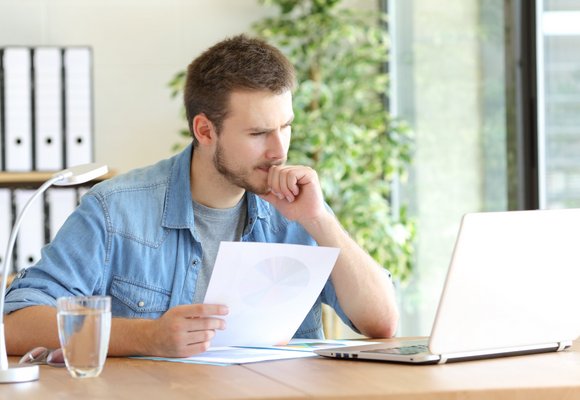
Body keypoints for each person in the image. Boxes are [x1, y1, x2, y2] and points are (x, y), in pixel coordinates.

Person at [4, 34, 398, 358]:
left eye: (286, 126)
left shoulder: (299, 206)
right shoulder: (115, 210)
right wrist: (149, 336)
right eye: (258, 133)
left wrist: (320, 221)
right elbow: (15, 324)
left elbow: (381, 323)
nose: (280, 150)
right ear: (205, 131)